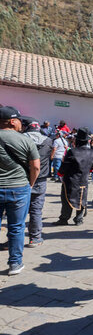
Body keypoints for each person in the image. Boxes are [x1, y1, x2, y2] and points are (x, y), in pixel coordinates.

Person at [0, 106, 40, 275]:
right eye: (19, 120)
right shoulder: (26, 140)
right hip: (19, 188)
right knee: (16, 227)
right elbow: (36, 167)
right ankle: (15, 263)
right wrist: (30, 184)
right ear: (12, 121)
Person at [54, 128, 93, 226]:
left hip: (71, 179)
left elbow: (65, 166)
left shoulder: (72, 151)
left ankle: (64, 218)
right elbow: (92, 167)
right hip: (84, 179)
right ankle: (79, 219)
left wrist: (60, 174)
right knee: (82, 199)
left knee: (66, 200)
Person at [23, 121, 53, 247]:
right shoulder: (48, 141)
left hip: (23, 178)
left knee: (18, 210)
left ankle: (13, 241)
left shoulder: (22, 139)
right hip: (40, 179)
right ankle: (34, 238)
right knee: (36, 210)